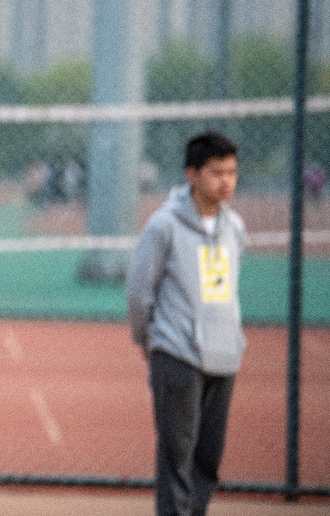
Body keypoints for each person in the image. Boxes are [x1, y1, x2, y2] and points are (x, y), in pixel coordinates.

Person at [126, 130, 245, 516]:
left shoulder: (235, 227)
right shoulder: (164, 226)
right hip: (177, 353)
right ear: (192, 175)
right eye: (216, 172)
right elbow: (139, 291)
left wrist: (233, 339)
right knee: (177, 455)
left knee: (208, 457)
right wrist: (148, 340)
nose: (226, 181)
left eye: (231, 172)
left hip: (223, 356)